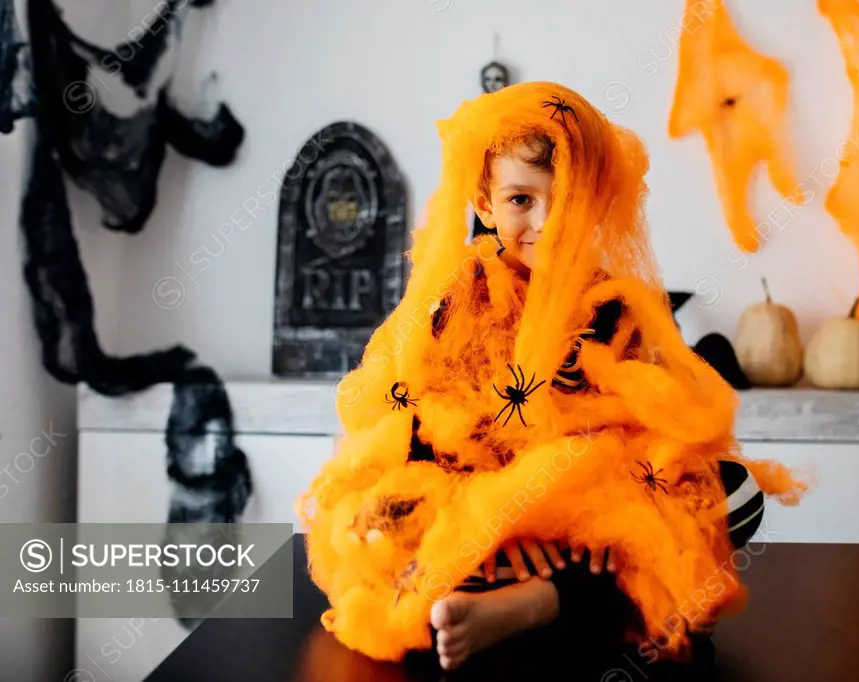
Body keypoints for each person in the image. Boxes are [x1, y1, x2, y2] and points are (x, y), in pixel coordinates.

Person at [298, 81, 807, 673]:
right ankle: (520, 591)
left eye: (569, 197)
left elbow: (636, 424)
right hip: (469, 493)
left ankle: (524, 601)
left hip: (586, 502)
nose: (547, 221)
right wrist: (503, 518)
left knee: (730, 495)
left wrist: (565, 509)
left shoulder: (611, 305)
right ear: (485, 205)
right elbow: (425, 422)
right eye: (522, 200)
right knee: (379, 526)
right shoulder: (459, 298)